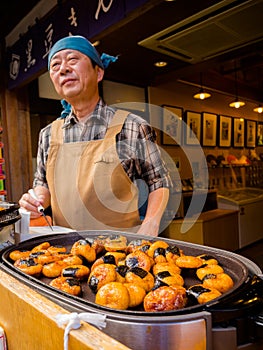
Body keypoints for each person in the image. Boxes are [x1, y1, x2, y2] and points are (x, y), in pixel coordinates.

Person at [19, 35, 172, 236]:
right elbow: (42, 184)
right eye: (55, 65)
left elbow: (159, 180)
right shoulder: (47, 134)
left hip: (121, 253)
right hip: (64, 254)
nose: (63, 69)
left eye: (72, 60)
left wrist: (151, 223)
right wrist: (36, 200)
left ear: (98, 72)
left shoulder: (131, 126)